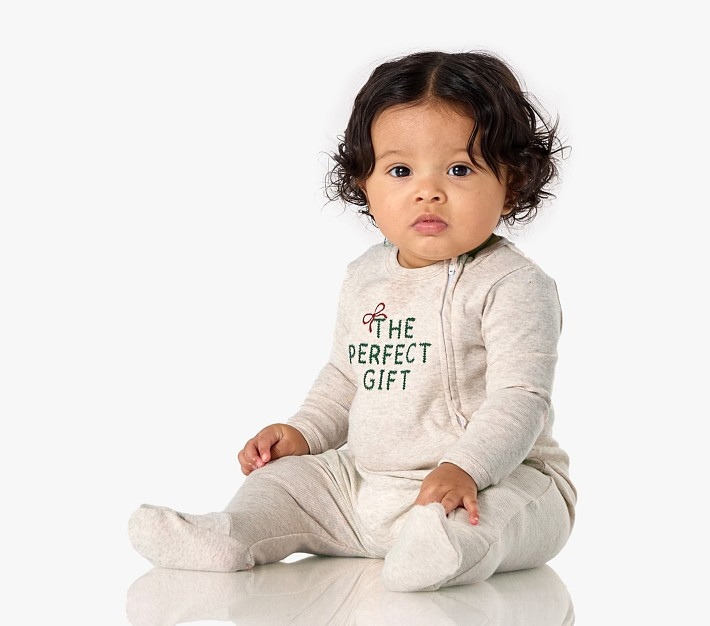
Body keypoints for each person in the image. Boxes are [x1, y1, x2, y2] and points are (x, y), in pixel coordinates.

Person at [128, 49, 577, 593]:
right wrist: (302, 432)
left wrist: (467, 468)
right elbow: (346, 376)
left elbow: (520, 398)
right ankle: (232, 534)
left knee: (497, 515)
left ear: (512, 181)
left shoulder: (513, 284)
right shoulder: (365, 276)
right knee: (287, 482)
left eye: (459, 169)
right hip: (364, 483)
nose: (428, 191)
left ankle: (442, 548)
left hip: (491, 478)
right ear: (365, 183)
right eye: (400, 171)